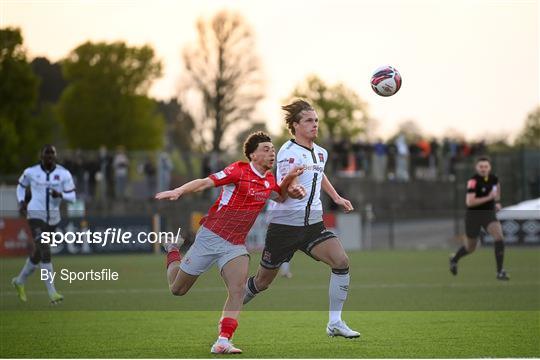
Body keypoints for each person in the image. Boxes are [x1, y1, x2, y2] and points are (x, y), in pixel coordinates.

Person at [155, 132, 304, 354]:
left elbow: (280, 197)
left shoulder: (269, 180)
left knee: (237, 289)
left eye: (272, 149)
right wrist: (180, 190)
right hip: (210, 236)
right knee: (177, 289)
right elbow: (205, 182)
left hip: (234, 245)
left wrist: (291, 182)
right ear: (252, 154)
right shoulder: (238, 170)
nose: (271, 152)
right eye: (265, 149)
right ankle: (173, 249)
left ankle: (223, 341)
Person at [243, 99, 360, 339]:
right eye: (309, 121)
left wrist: (337, 197)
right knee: (262, 282)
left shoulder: (321, 152)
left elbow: (320, 173)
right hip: (284, 227)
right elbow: (287, 180)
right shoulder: (288, 152)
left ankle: (335, 322)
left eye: (316, 121)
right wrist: (294, 187)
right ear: (295, 126)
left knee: (341, 261)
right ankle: (229, 311)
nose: (315, 125)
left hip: (312, 226)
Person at [12, 145, 77, 304]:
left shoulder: (64, 174)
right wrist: (21, 202)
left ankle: (19, 281)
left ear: (55, 156)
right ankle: (52, 293)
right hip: (35, 214)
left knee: (37, 254)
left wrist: (60, 194)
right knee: (45, 249)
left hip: (53, 219)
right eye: (46, 153)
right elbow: (20, 186)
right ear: (41, 156)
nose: (49, 156)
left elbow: (73, 196)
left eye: (52, 153)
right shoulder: (31, 172)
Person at [449, 156, 509, 280]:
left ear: (489, 167)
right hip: (474, 216)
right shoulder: (473, 181)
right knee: (470, 248)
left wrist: (497, 202)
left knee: (499, 237)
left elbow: (497, 192)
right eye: (481, 167)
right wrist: (488, 197)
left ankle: (500, 271)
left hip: (488, 214)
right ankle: (454, 259)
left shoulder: (494, 178)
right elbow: (470, 202)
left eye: (486, 166)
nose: (483, 169)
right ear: (476, 168)